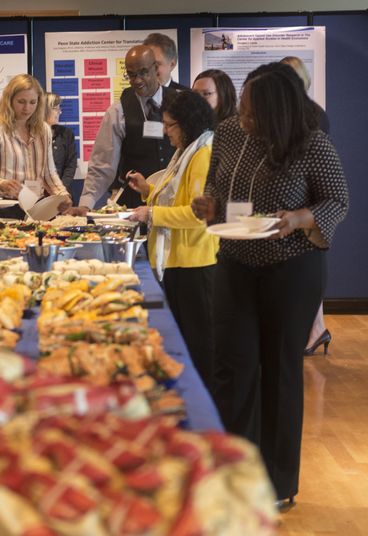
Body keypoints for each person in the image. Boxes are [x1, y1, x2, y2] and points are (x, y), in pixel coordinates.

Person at [191, 62, 349, 509]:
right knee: (232, 368)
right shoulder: (228, 134)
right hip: (235, 261)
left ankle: (277, 484)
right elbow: (216, 187)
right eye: (242, 107)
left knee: (279, 373)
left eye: (252, 111)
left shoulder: (310, 141)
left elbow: (337, 199)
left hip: (292, 267)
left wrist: (300, 218)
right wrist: (210, 206)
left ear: (278, 109)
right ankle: (231, 474)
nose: (243, 117)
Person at [125, 90, 217, 388]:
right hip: (179, 262)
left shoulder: (202, 155)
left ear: (187, 123)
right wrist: (146, 191)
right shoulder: (186, 151)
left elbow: (195, 214)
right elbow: (174, 198)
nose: (165, 132)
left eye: (169, 125)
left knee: (198, 344)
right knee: (185, 338)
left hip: (195, 263)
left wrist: (151, 214)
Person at [69, 45, 177, 215]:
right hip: (133, 204)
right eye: (131, 74)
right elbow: (102, 164)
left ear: (155, 69)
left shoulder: (180, 103)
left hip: (175, 200)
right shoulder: (117, 112)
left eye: (143, 72)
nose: (137, 80)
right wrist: (86, 204)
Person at [279, 56, 333, 355]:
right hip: (296, 205)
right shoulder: (290, 114)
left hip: (309, 206)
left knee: (307, 270)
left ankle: (314, 330)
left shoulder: (313, 115)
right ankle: (316, 329)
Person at [0, 75, 70, 215]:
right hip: (6, 206)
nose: (27, 108)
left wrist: (62, 195)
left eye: (32, 102)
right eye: (21, 102)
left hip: (37, 205)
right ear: (9, 101)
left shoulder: (44, 130)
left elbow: (49, 172)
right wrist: (2, 184)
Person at [46, 92, 79, 203]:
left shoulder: (66, 134)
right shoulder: (32, 135)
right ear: (45, 110)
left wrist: (60, 190)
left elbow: (71, 165)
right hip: (39, 196)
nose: (60, 112)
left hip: (62, 195)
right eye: (56, 108)